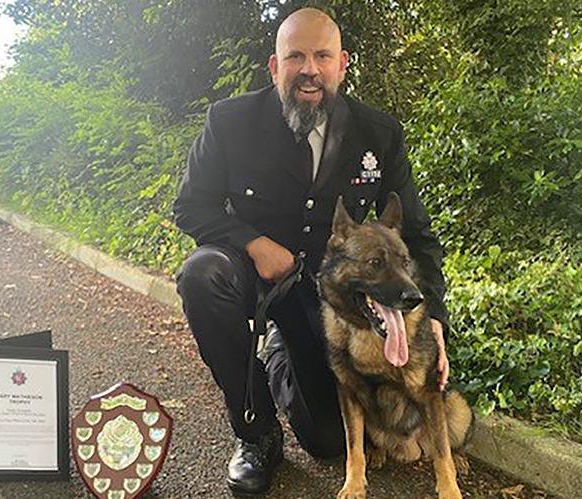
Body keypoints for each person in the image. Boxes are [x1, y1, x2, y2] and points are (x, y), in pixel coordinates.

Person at [173, 7, 450, 496]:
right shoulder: (230, 121)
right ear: (275, 67)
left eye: (322, 56)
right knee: (201, 274)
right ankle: (255, 433)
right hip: (250, 275)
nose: (309, 69)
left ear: (342, 64)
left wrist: (434, 318)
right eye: (295, 56)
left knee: (326, 439)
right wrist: (252, 243)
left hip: (328, 301)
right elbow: (192, 206)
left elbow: (418, 239)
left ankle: (280, 353)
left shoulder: (378, 134)